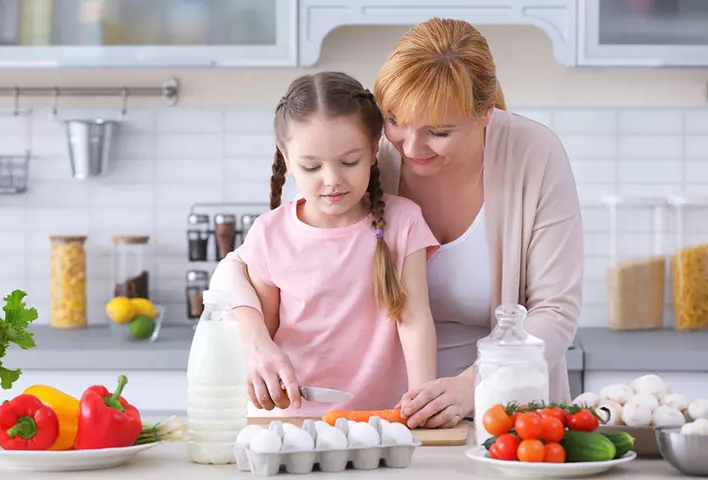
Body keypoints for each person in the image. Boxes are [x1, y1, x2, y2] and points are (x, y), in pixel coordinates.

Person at [212, 18, 583, 428]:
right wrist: (255, 341)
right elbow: (238, 267)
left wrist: (473, 386)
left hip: (502, 409)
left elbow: (555, 312)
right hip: (389, 411)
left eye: (438, 131)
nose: (410, 146)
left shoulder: (533, 154)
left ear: (485, 114)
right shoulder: (364, 158)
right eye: (396, 121)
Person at [225, 71, 440, 418]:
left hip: (383, 422)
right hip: (293, 423)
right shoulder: (269, 233)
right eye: (312, 166)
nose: (332, 180)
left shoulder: (404, 222)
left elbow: (414, 320)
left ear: (373, 151)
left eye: (349, 162)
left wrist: (421, 402)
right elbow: (261, 332)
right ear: (287, 157)